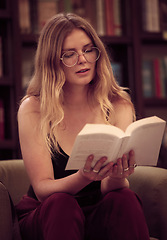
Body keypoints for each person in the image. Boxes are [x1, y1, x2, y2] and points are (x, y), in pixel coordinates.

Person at [16, 13, 150, 240]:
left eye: (88, 50)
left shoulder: (118, 105)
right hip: (50, 213)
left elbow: (110, 188)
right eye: (69, 54)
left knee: (124, 198)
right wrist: (85, 176)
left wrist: (119, 175)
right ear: (52, 61)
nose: (82, 59)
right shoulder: (33, 108)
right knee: (62, 204)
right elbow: (42, 190)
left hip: (99, 209)